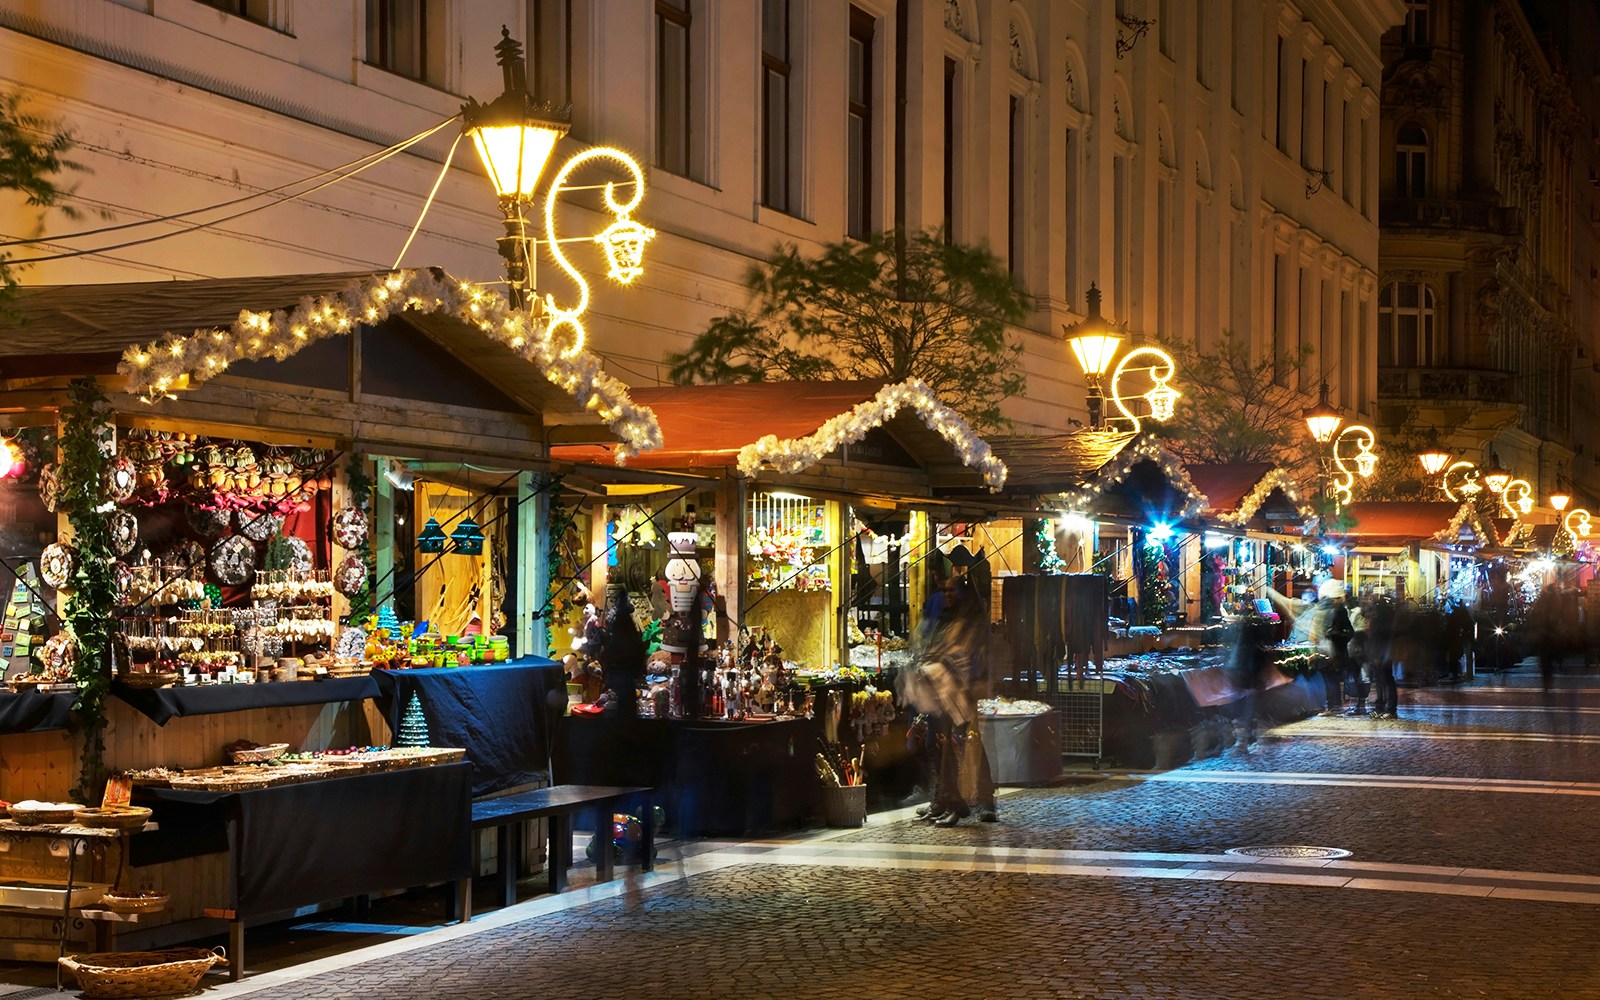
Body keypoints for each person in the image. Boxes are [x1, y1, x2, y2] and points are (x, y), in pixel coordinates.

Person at [902, 574, 997, 826]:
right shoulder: (944, 619)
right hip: (942, 694)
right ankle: (946, 799)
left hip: (963, 694)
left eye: (951, 591)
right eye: (944, 591)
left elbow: (971, 657)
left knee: (970, 745)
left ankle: (983, 801)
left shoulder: (971, 622)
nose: (947, 595)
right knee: (937, 745)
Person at [1366, 596, 1398, 719]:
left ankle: (1388, 708)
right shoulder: (1382, 620)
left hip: (1380, 654)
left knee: (1385, 681)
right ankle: (1382, 707)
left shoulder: (1381, 621)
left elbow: (1378, 638)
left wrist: (1377, 654)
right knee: (1382, 681)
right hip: (1380, 653)